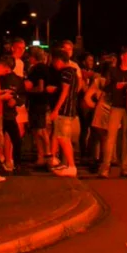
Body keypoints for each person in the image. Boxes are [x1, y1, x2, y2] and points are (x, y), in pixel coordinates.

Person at [100, 47, 127, 178]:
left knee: (126, 137)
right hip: (116, 106)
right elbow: (106, 87)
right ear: (122, 57)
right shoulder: (113, 71)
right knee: (111, 137)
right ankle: (105, 166)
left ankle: (125, 166)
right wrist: (115, 86)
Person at [49, 49, 80, 177]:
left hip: (64, 110)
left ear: (58, 60)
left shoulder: (65, 73)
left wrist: (56, 109)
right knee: (63, 137)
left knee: (63, 137)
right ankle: (68, 165)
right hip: (71, 108)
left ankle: (71, 165)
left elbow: (65, 91)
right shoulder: (74, 71)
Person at [26, 46, 51, 168]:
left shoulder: (38, 69)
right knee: (37, 130)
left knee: (40, 130)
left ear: (33, 57)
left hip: (38, 102)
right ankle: (42, 157)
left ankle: (47, 155)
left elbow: (40, 87)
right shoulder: (46, 68)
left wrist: (28, 91)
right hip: (43, 102)